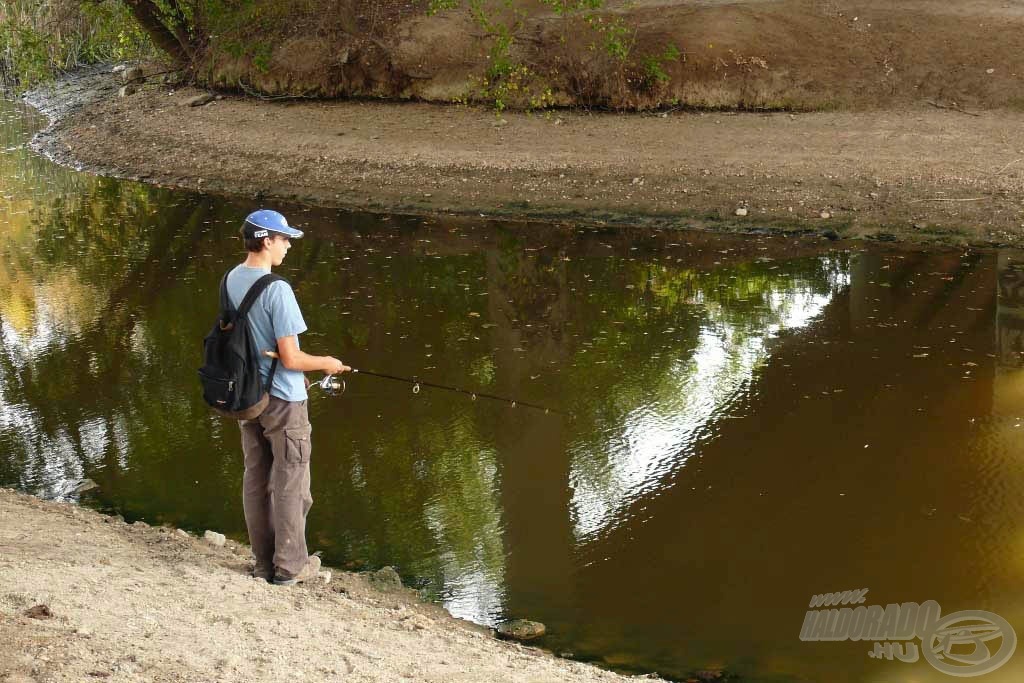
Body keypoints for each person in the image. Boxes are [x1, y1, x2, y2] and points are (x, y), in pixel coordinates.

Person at [226, 209, 349, 585]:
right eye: (283, 239)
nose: (288, 245)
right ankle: (289, 567)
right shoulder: (277, 290)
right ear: (266, 241)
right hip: (283, 402)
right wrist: (328, 362)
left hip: (248, 398)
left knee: (256, 481)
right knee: (292, 485)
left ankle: (263, 563)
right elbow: (293, 358)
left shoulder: (231, 279)